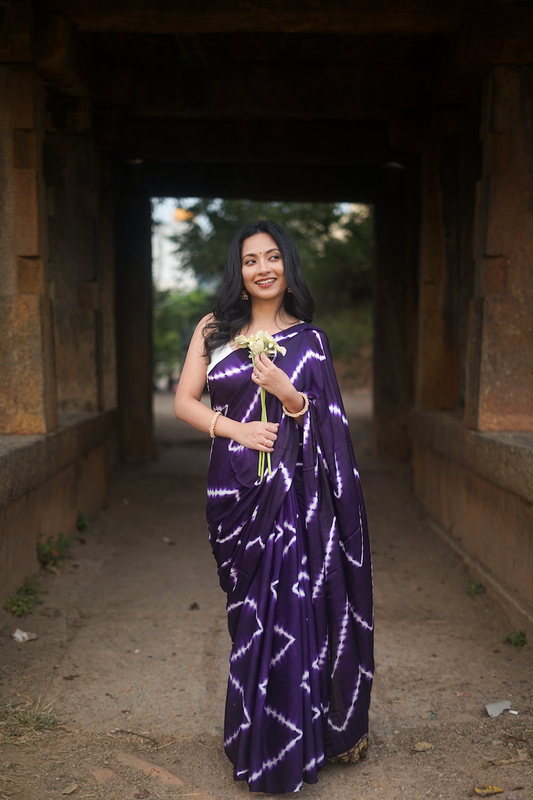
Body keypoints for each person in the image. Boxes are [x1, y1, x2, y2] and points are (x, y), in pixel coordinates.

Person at [174, 220, 373, 795]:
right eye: (249, 260)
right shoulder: (214, 329)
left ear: (287, 265)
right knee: (247, 615)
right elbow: (186, 402)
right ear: (237, 274)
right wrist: (236, 429)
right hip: (234, 493)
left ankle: (291, 740)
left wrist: (288, 396)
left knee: (290, 610)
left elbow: (326, 426)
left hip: (296, 496)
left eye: (271, 257)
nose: (262, 268)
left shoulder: (309, 340)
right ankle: (251, 730)